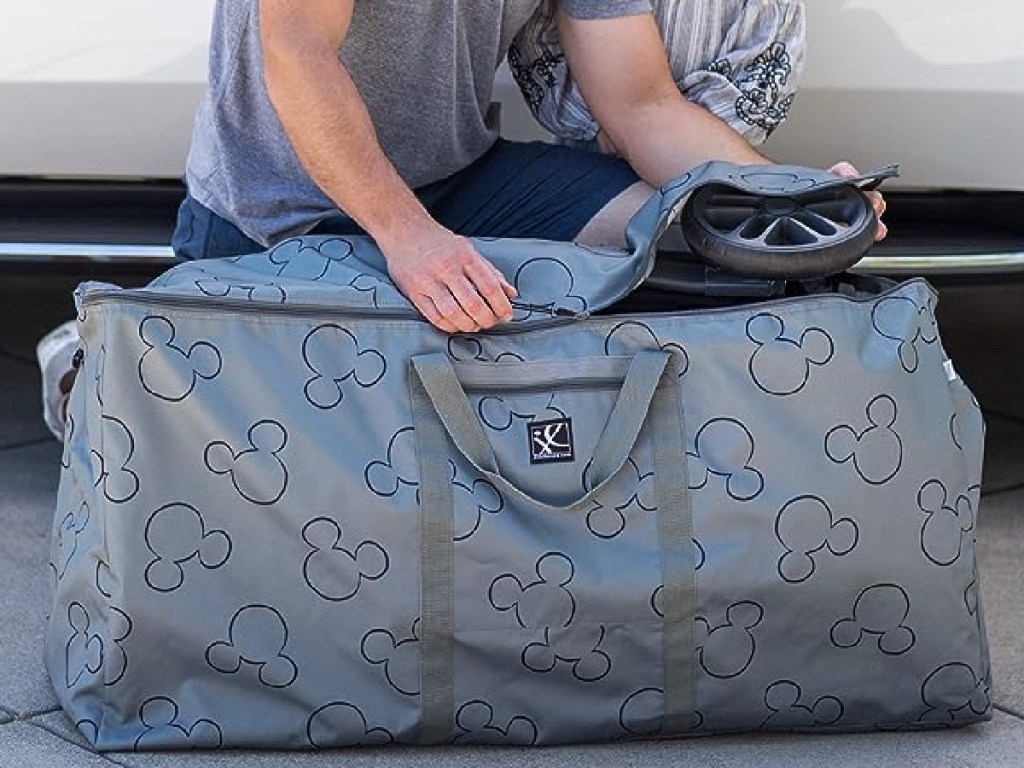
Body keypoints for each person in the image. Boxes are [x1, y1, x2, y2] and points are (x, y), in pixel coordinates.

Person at [37, 0, 886, 438]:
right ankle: (97, 356)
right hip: (275, 212)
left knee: (677, 231)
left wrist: (787, 199)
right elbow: (295, 51)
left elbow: (641, 105)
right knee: (251, 433)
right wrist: (406, 239)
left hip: (459, 182)